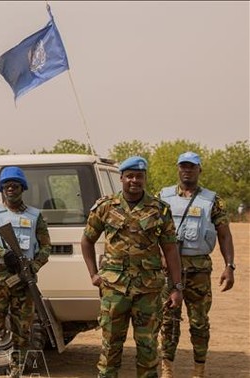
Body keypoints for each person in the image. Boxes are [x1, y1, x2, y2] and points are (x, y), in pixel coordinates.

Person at [80, 156, 183, 378]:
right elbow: (87, 240)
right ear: (122, 178)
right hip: (114, 290)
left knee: (147, 349)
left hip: (148, 290)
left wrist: (176, 287)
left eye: (139, 176)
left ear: (145, 178)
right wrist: (93, 274)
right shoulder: (106, 207)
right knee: (110, 347)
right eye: (130, 176)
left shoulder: (159, 209)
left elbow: (171, 250)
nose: (134, 180)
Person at [158, 152, 235, 378]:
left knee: (199, 322)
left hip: (199, 271)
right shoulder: (163, 197)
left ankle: (198, 370)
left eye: (192, 167)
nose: (187, 170)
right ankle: (167, 369)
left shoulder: (212, 200)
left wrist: (229, 266)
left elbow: (225, 235)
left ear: (199, 170)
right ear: (178, 168)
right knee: (168, 321)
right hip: (169, 271)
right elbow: (151, 229)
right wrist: (159, 255)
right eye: (183, 166)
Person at [0, 166, 51, 378]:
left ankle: (17, 371)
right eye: (7, 186)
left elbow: (45, 247)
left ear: (22, 188)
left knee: (23, 330)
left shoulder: (35, 216)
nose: (11, 189)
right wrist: (2, 253)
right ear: (2, 189)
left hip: (24, 281)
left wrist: (32, 267)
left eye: (15, 186)